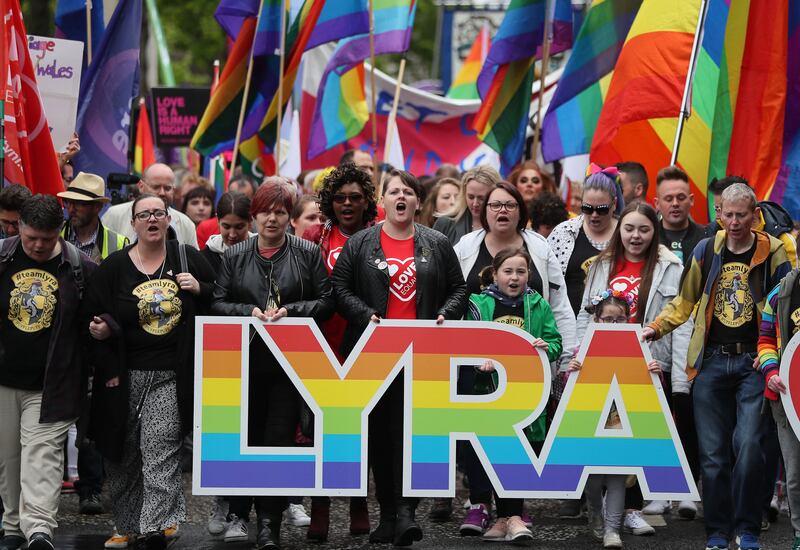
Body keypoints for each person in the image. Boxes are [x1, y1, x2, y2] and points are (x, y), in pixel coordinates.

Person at [642, 183, 792, 550]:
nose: (735, 221)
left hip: (754, 363)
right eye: (729, 213)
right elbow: (685, 300)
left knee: (750, 447)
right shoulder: (706, 249)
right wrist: (657, 326)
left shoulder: (772, 251)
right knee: (712, 456)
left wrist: (775, 352)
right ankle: (718, 532)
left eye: (743, 214)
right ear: (719, 214)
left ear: (755, 215)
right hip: (710, 361)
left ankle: (748, 528)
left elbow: (786, 306)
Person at [331, 169, 467, 547]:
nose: (401, 197)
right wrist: (363, 314)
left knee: (412, 435)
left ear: (418, 202)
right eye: (394, 191)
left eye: (408, 191)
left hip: (422, 356)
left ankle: (407, 513)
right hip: (373, 355)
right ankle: (387, 514)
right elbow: (339, 288)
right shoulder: (360, 243)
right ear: (383, 202)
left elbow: (459, 288)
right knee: (379, 437)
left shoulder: (437, 242)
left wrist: (446, 313)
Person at [84, 194, 215, 550]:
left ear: (169, 219)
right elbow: (92, 311)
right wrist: (102, 328)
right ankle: (126, 526)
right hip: (123, 375)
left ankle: (155, 527)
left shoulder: (188, 259)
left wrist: (200, 288)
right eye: (145, 214)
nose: (152, 219)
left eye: (159, 213)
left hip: (171, 373)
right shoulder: (113, 267)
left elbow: (221, 297)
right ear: (134, 222)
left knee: (160, 447)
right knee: (122, 453)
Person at [211, 179, 334, 550]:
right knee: (243, 436)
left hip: (290, 364)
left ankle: (270, 523)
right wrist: (246, 312)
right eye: (266, 212)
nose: (273, 219)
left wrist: (291, 312)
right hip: (244, 362)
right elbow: (217, 302)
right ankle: (238, 513)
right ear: (255, 215)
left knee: (277, 440)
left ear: (289, 217)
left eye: (281, 212)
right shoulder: (235, 256)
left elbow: (326, 300)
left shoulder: (307, 253)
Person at [452, 181, 575, 533]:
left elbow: (560, 307)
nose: (502, 210)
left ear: (521, 210)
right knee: (477, 439)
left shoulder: (538, 247)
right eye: (494, 205)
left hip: (526, 378)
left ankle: (511, 511)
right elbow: (457, 306)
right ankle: (479, 507)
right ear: (483, 210)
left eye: (509, 204)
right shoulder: (465, 247)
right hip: (478, 374)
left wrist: (560, 356)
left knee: (520, 440)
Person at [576, 202, 692, 531]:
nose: (635, 236)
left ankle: (631, 509)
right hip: (601, 365)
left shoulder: (671, 266)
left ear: (655, 233)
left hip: (649, 365)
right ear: (619, 230)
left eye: (644, 229)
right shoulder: (601, 265)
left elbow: (682, 323)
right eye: (629, 228)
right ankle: (598, 507)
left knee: (640, 436)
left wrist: (681, 380)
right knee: (603, 436)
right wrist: (578, 360)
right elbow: (586, 316)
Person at [0, 194, 97, 550]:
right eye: (31, 238)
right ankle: (12, 527)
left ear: (60, 231)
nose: (39, 245)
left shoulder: (80, 268)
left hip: (53, 382)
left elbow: (97, 320)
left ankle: (39, 528)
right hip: (3, 379)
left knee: (43, 454)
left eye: (47, 237)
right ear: (19, 228)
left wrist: (102, 329)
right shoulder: (2, 256)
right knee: (8, 459)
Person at [301, 163, 378, 543]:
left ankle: (359, 502)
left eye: (355, 198)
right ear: (329, 202)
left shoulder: (379, 237)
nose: (347, 204)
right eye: (339, 198)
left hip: (364, 343)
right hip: (320, 343)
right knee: (320, 429)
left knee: (359, 427)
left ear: (367, 202)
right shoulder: (314, 236)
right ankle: (320, 505)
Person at [466, 248, 561, 545]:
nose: (515, 277)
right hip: (489, 393)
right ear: (494, 274)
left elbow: (557, 342)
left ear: (528, 275)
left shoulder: (538, 304)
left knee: (518, 455)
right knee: (492, 454)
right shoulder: (478, 304)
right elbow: (464, 343)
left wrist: (547, 347)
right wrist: (477, 361)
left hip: (525, 394)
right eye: (508, 271)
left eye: (521, 271)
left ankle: (511, 517)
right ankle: (505, 519)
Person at [57, 172, 129, 516]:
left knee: (91, 414)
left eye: (80, 203)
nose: (71, 207)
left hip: (99, 341)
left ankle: (90, 489)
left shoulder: (117, 243)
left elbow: (123, 291)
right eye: (70, 201)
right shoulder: (54, 238)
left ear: (98, 207)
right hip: (60, 339)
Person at [570, 289, 662, 549]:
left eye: (619, 319)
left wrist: (655, 372)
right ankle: (595, 513)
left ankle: (613, 530)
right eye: (607, 319)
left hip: (621, 421)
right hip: (591, 421)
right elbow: (568, 390)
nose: (613, 324)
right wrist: (572, 371)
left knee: (617, 476)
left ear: (628, 320)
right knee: (594, 477)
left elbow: (650, 390)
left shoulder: (639, 346)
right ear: (597, 320)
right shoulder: (583, 347)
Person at [757, 268, 800, 550]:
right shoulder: (780, 293)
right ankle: (799, 532)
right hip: (789, 398)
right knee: (795, 474)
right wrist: (771, 371)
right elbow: (764, 340)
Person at [548, 164, 625, 317]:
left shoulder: (627, 234)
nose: (594, 215)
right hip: (568, 327)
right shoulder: (563, 232)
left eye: (602, 209)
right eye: (587, 208)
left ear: (614, 204)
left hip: (614, 326)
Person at [708, 176, 798, 269]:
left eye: (740, 214)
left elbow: (790, 281)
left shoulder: (782, 242)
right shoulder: (710, 238)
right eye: (717, 209)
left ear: (755, 213)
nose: (718, 216)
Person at [101, 163, 199, 247]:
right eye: (156, 187)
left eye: (167, 188)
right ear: (141, 186)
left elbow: (193, 265)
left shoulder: (185, 223)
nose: (162, 193)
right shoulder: (115, 215)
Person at [59, 172, 129, 264]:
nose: (71, 209)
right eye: (68, 202)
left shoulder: (119, 244)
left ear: (97, 207)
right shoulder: (53, 236)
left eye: (79, 203)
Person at [433, 166, 500, 246]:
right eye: (471, 197)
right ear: (464, 194)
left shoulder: (504, 223)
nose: (475, 204)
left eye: (481, 198)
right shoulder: (446, 223)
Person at [653, 166, 706, 266]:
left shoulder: (707, 238)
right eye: (668, 199)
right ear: (657, 203)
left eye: (681, 198)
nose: (675, 203)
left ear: (691, 200)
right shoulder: (648, 239)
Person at [200, 192, 254, 273]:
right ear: (218, 220)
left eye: (239, 227)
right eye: (226, 227)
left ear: (250, 222)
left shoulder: (263, 253)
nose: (232, 234)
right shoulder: (206, 258)